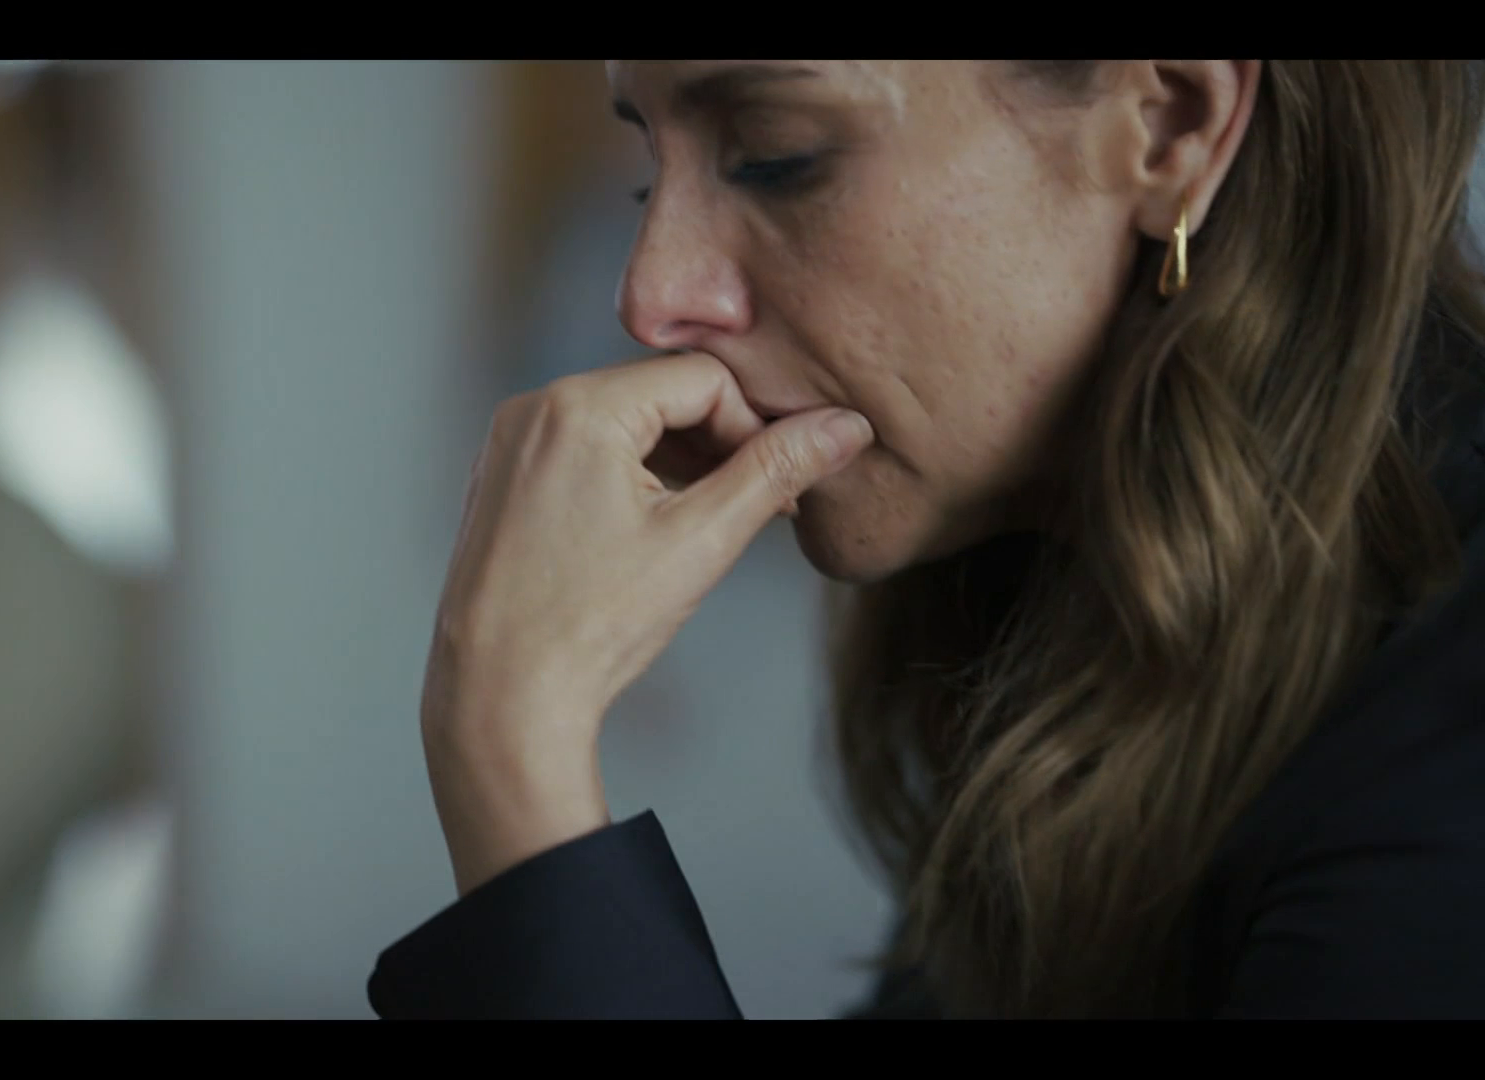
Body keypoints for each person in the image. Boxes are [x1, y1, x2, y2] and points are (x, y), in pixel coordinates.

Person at [367, 60, 1485, 1019]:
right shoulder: (1075, 618)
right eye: (649, 177)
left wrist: (512, 752)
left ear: (1170, 126)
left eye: (774, 155)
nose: (652, 298)